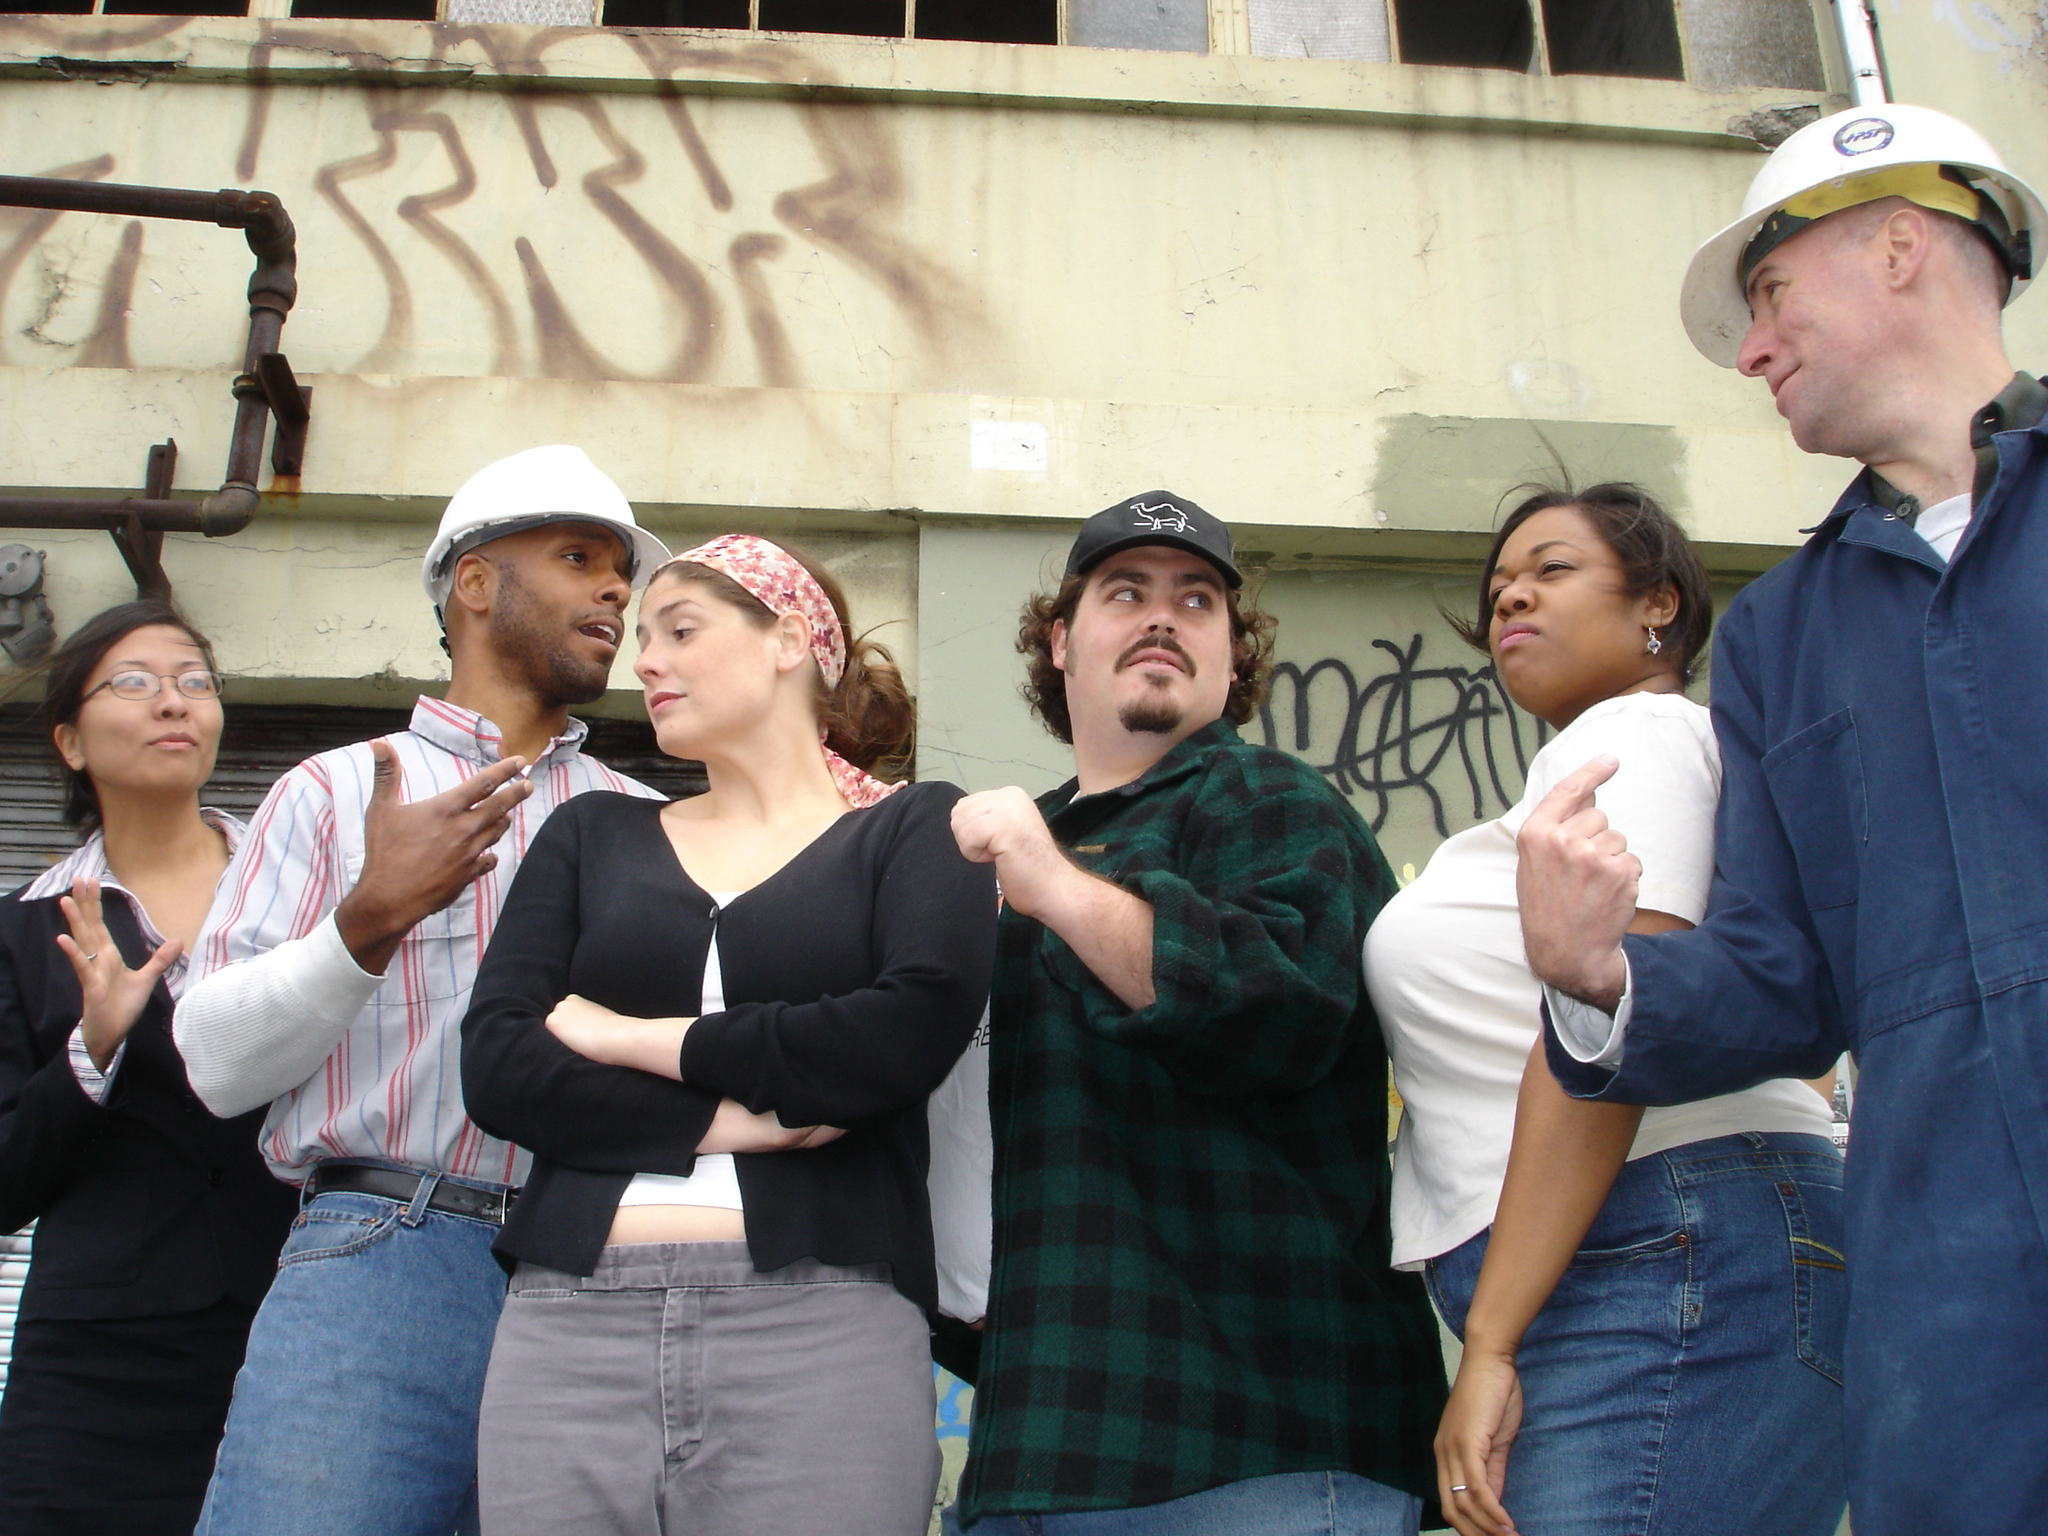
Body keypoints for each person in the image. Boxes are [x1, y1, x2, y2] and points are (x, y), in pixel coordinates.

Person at [1513, 105, 2048, 1534]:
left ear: (1898, 246)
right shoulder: (1781, 635)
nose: (1750, 351)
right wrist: (1598, 976)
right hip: (1952, 1315)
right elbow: (1782, 978)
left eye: (1767, 293)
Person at [172, 445, 671, 1536]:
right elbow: (211, 1065)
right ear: (475, 584)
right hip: (381, 1253)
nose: (614, 591)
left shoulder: (648, 824)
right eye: (579, 558)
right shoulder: (332, 790)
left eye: (621, 573)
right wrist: (365, 919)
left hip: (598, 1275)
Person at [458, 533, 995, 1535]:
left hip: (824, 1325)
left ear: (787, 639)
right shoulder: (591, 833)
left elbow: (900, 1034)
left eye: (679, 631)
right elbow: (501, 1065)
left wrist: (629, 1038)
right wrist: (736, 1120)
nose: (645, 662)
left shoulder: (914, 828)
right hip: (568, 1326)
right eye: (642, 640)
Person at [948, 491, 1446, 1534]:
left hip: (1256, 1446)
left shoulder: (1274, 805)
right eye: (1125, 593)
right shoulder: (1019, 845)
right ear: (1060, 642)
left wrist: (1057, 889)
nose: (1161, 619)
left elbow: (1274, 1014)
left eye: (1196, 601)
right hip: (1035, 1438)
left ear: (1231, 654)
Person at [1365, 485, 1845, 1536]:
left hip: (1660, 1243)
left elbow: (1625, 1031)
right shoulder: (1609, 765)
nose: (1509, 598)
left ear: (1656, 605)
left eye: (1551, 569)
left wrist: (1490, 1342)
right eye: (1498, 586)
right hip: (1648, 1247)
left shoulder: (1636, 739)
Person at [0, 601, 296, 1534]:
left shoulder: (304, 896)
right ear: (69, 741)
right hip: (97, 1359)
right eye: (134, 683)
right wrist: (91, 1047)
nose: (174, 703)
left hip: (295, 1328)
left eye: (194, 681)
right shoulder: (22, 930)